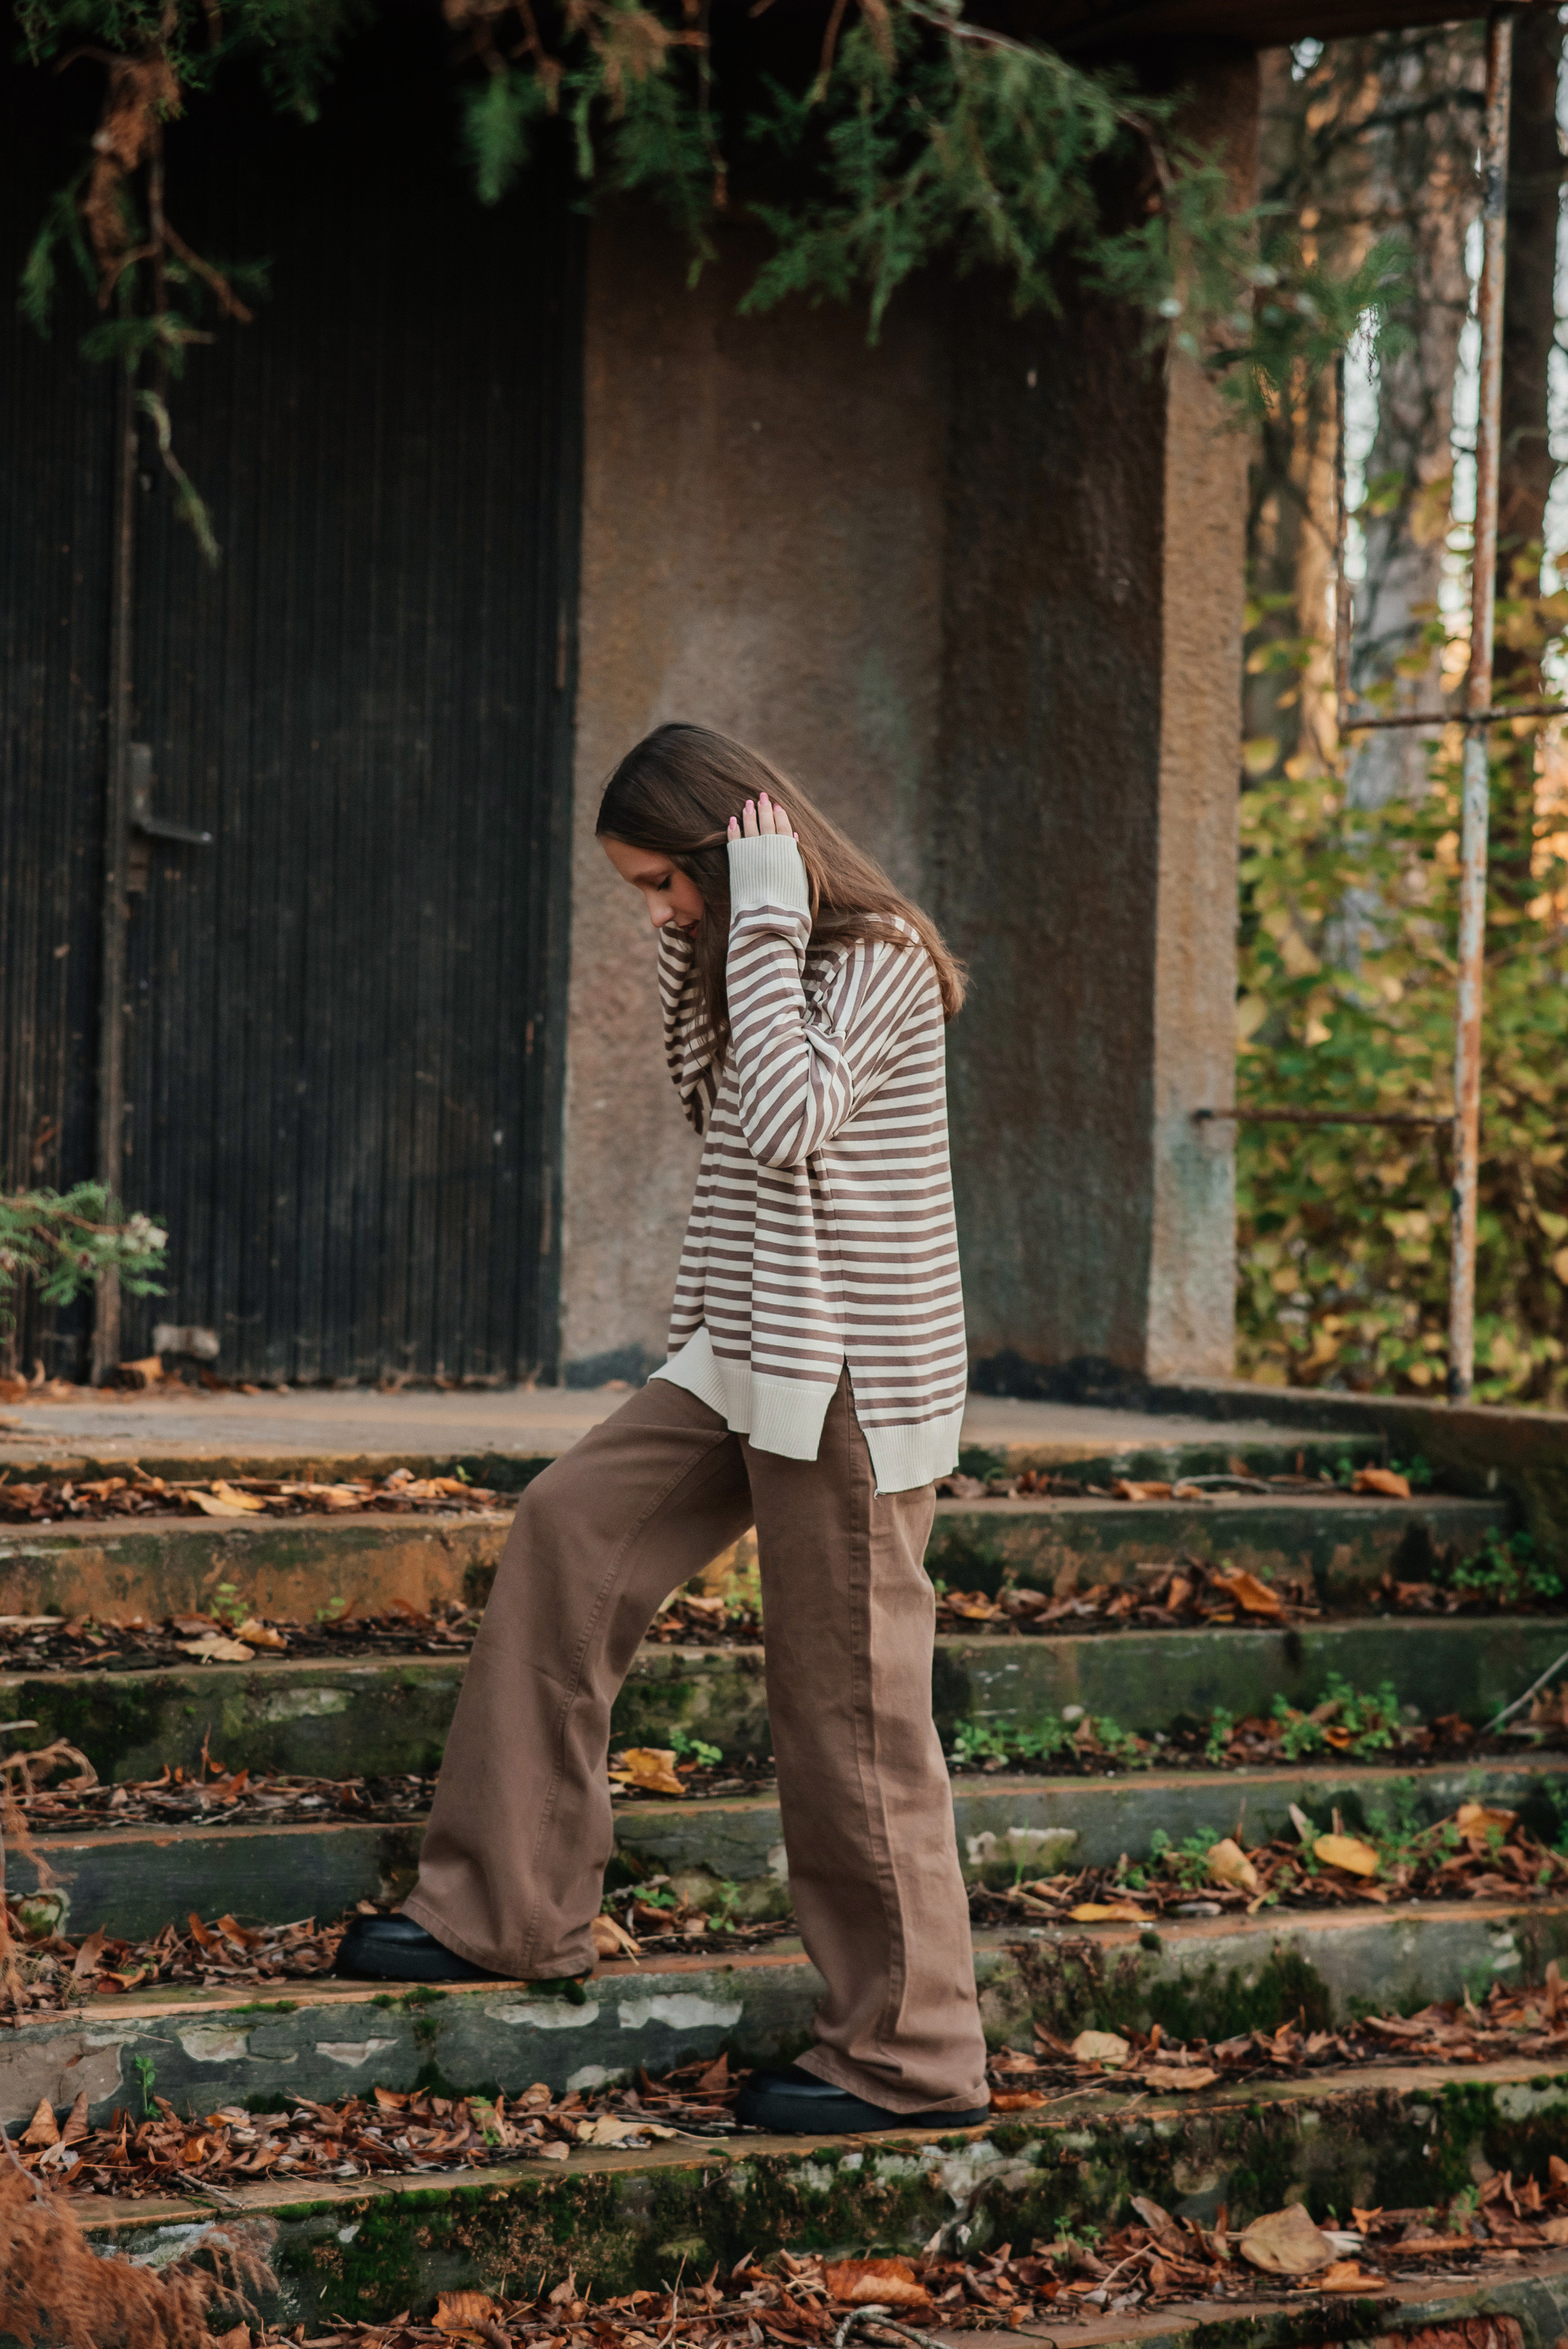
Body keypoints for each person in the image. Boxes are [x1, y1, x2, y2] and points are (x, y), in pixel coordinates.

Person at [338, 722, 989, 2133]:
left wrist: (755, 921)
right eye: (645, 894)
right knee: (569, 1528)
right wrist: (711, 945)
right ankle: (505, 1909)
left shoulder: (871, 954)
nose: (657, 912)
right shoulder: (737, 952)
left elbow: (785, 1123)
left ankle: (911, 2054)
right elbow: (722, 1117)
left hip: (852, 1381)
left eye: (663, 885)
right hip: (744, 1350)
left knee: (849, 1715)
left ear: (728, 856)